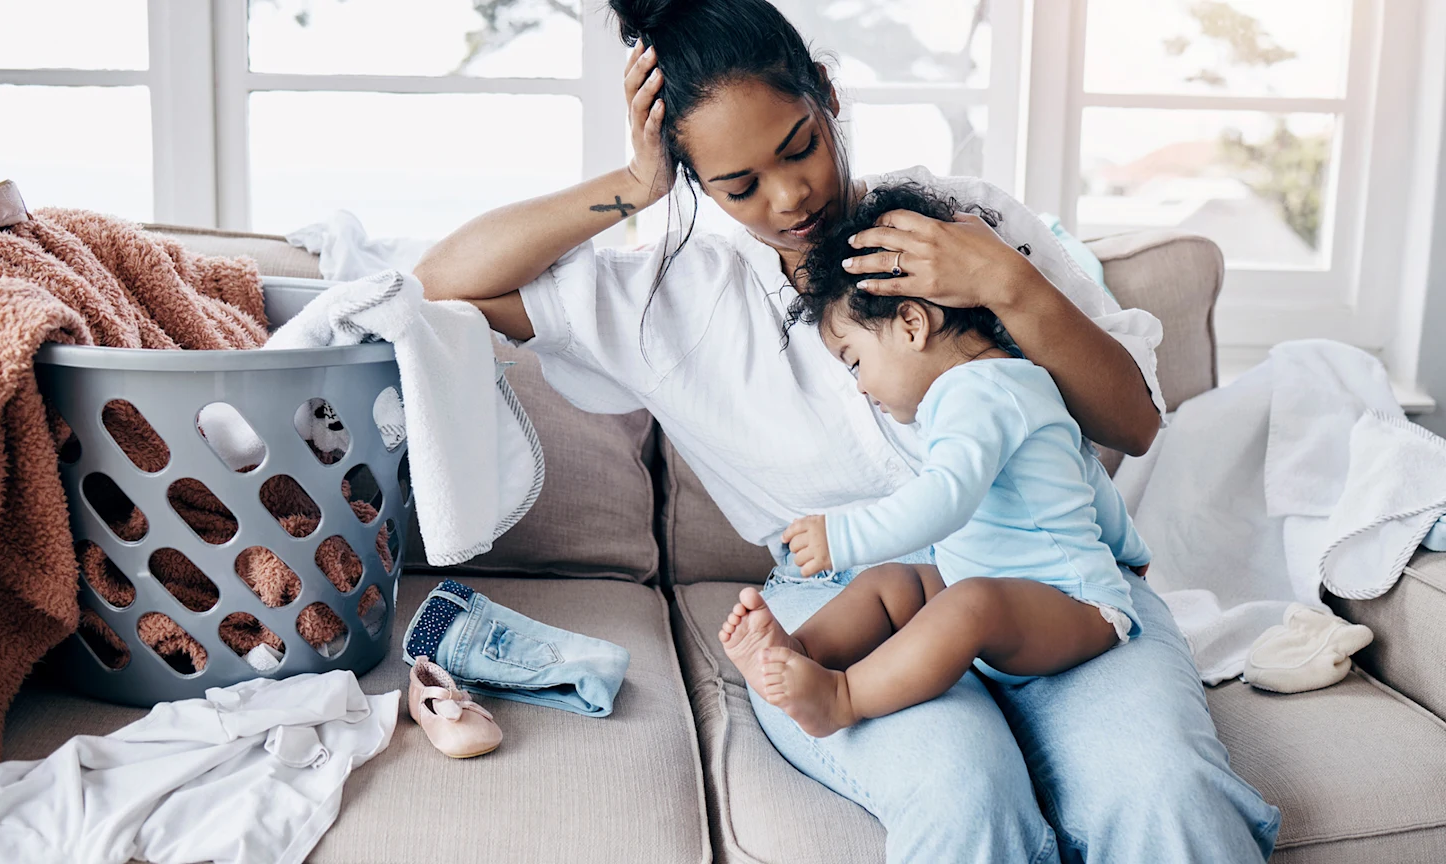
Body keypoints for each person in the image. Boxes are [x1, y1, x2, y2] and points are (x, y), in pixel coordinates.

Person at [415, 0, 1280, 859]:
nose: (790, 198)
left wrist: (1010, 286)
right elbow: (440, 282)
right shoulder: (667, 300)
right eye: (739, 185)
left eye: (800, 147)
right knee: (963, 793)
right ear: (693, 179)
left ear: (827, 95)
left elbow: (1132, 422)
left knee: (1167, 793)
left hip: (1048, 568)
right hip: (855, 599)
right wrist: (634, 187)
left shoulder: (961, 225)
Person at [719, 180, 1150, 739]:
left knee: (969, 603)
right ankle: (799, 652)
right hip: (1009, 598)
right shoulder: (1006, 384)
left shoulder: (982, 393)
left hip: (1076, 609)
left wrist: (842, 537)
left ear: (911, 324)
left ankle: (842, 697)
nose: (860, 387)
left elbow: (945, 500)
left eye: (854, 361)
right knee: (893, 585)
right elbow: (1086, 475)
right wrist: (1130, 547)